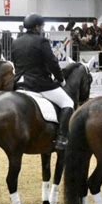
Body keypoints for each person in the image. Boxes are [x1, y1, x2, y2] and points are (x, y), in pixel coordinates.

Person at [11, 14, 73, 151]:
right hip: (38, 84)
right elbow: (52, 62)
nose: (42, 29)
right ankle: (62, 138)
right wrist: (61, 79)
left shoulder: (16, 42)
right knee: (68, 103)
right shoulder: (42, 41)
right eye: (42, 26)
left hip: (20, 83)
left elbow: (15, 62)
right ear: (37, 27)